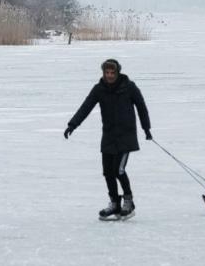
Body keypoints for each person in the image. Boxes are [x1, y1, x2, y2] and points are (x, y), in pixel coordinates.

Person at [64, 59, 152, 221]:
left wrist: (146, 128)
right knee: (107, 172)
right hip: (109, 136)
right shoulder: (99, 89)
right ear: (103, 73)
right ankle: (115, 203)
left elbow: (141, 106)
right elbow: (86, 107)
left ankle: (128, 201)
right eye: (107, 73)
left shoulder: (129, 87)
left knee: (118, 170)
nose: (110, 76)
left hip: (126, 136)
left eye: (113, 73)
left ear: (118, 72)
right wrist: (72, 125)